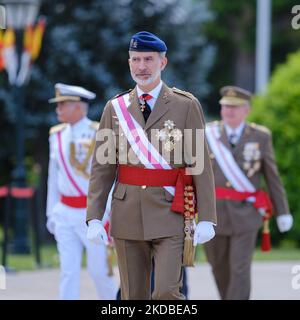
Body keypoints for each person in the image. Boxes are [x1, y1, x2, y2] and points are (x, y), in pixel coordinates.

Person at [86, 31, 217, 300]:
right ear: (129, 62)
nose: (142, 66)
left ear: (163, 63)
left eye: (148, 59)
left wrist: (207, 218)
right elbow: (103, 167)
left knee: (167, 292)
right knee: (133, 295)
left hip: (171, 213)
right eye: (136, 59)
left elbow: (200, 164)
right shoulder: (115, 108)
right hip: (126, 213)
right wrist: (94, 217)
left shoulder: (186, 105)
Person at [204, 85, 293, 300]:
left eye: (235, 107)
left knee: (240, 269)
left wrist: (283, 211)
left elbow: (272, 177)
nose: (229, 111)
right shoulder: (208, 134)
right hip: (214, 215)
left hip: (246, 215)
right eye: (225, 106)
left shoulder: (260, 136)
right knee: (218, 268)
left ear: (247, 110)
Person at [46, 83, 117, 300]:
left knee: (100, 272)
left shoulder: (99, 132)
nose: (58, 109)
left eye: (63, 104)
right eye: (57, 105)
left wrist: (109, 214)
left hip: (93, 214)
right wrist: (51, 212)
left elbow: (110, 177)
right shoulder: (56, 135)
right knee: (68, 271)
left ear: (79, 107)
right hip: (64, 212)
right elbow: (53, 177)